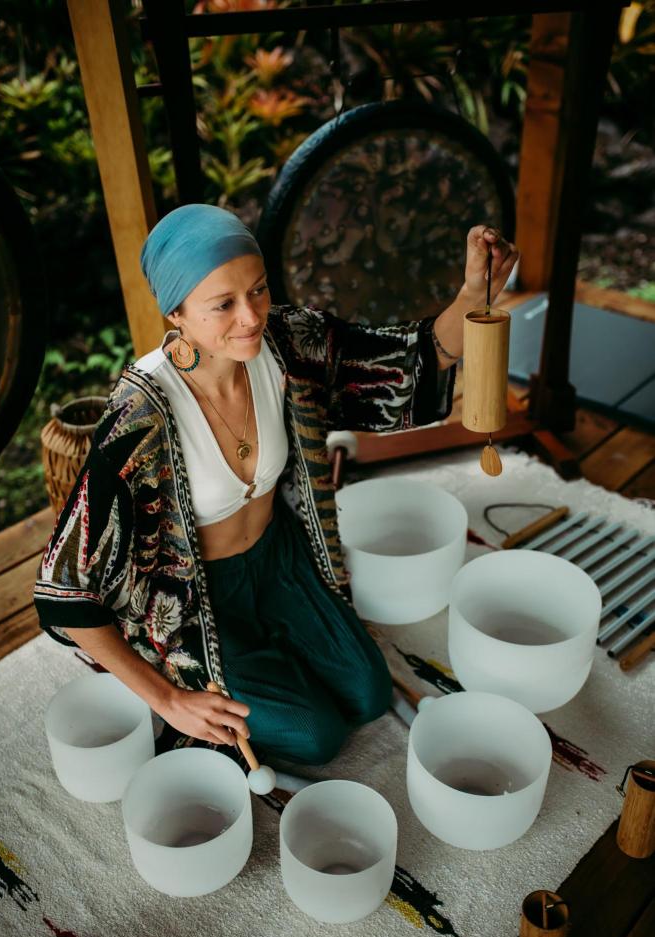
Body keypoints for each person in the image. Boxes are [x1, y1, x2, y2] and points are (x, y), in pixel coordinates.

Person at [33, 204, 519, 767]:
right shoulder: (140, 416)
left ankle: (274, 656)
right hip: (197, 599)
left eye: (258, 291)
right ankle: (222, 668)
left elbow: (407, 360)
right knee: (316, 736)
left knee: (368, 694)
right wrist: (169, 700)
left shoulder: (288, 343)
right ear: (177, 314)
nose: (251, 317)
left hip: (279, 560)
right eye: (223, 304)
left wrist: (470, 294)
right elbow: (63, 590)